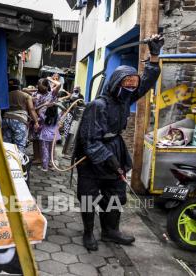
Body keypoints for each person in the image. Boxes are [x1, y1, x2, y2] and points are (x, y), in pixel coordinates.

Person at [74, 34, 164, 251]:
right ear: (116, 83)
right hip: (91, 157)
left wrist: (154, 56)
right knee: (89, 196)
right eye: (128, 83)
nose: (132, 88)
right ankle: (88, 233)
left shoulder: (126, 99)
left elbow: (148, 83)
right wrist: (110, 160)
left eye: (134, 84)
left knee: (115, 194)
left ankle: (110, 231)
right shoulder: (98, 105)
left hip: (115, 149)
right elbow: (89, 140)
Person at [2, 79, 39, 153]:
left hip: (6, 119)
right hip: (19, 121)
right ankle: (18, 162)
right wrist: (36, 122)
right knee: (19, 145)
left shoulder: (5, 95)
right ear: (19, 86)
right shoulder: (26, 95)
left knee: (6, 145)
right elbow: (31, 109)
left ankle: (6, 162)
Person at [33, 77, 61, 171]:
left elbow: (59, 85)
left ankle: (47, 164)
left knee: (45, 147)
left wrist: (50, 79)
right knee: (40, 143)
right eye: (39, 87)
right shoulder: (35, 93)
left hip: (43, 121)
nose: (41, 89)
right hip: (44, 122)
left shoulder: (51, 94)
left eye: (43, 87)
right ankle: (45, 162)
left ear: (47, 86)